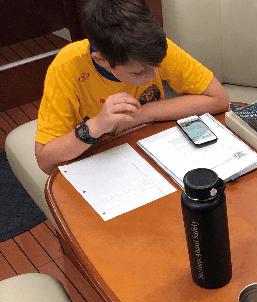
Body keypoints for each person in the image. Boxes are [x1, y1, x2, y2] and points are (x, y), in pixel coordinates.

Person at [34, 0, 229, 174]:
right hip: (97, 162)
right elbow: (45, 161)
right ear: (101, 60)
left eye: (158, 67)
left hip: (151, 148)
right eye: (138, 73)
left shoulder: (150, 50)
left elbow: (219, 99)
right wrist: (97, 125)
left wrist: (144, 113)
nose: (152, 76)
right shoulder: (67, 67)